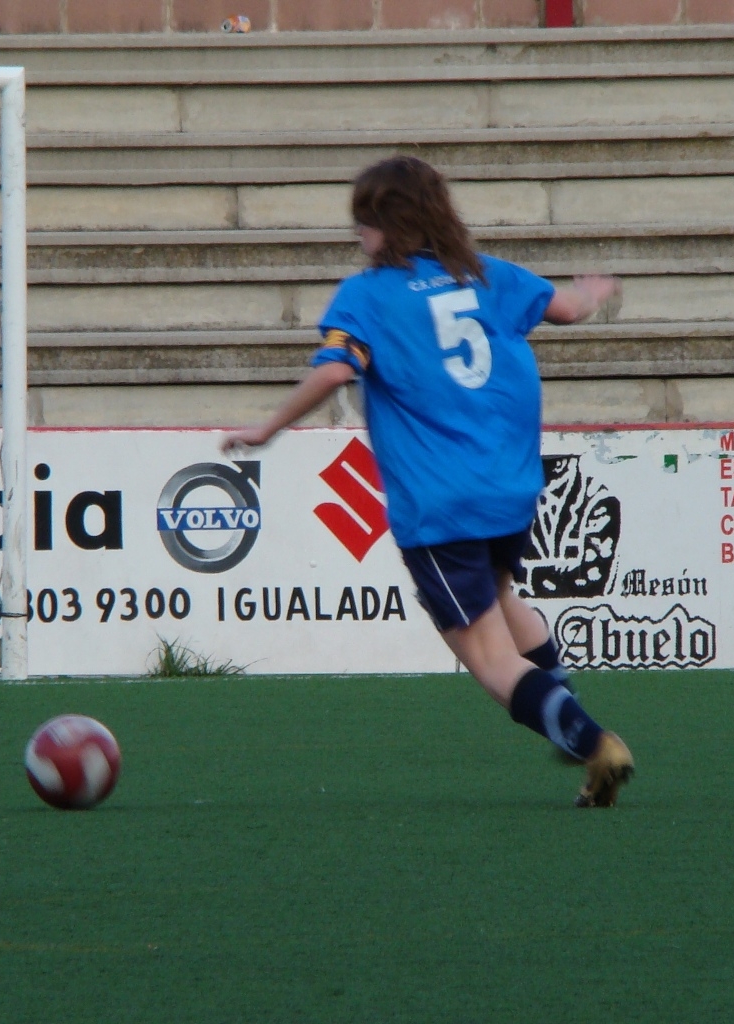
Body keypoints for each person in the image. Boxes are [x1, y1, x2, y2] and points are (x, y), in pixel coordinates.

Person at [220, 156, 634, 808]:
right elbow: (567, 309)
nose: (358, 236)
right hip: (510, 486)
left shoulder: (366, 294)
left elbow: (334, 373)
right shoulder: (488, 275)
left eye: (364, 223)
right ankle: (563, 712)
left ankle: (587, 738)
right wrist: (593, 293)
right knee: (498, 594)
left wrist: (267, 428)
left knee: (489, 658)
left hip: (440, 502)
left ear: (388, 224)